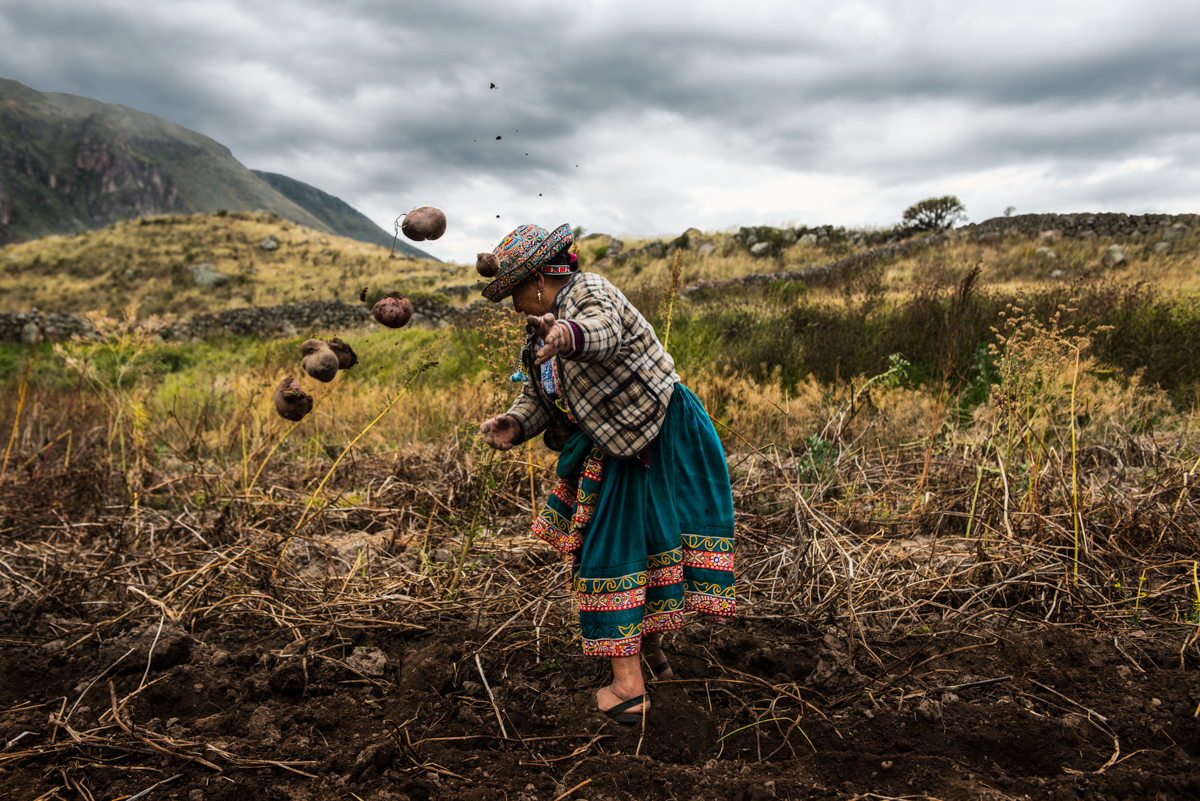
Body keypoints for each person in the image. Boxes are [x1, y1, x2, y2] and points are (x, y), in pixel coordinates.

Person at [478, 223, 735, 725]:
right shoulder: (537, 337)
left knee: (610, 552)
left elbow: (601, 334)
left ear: (535, 281)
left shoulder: (590, 292)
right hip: (619, 443)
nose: (512, 306)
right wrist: (514, 423)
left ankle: (627, 689)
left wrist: (565, 334)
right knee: (644, 546)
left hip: (656, 431)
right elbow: (540, 396)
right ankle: (652, 656)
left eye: (513, 293)